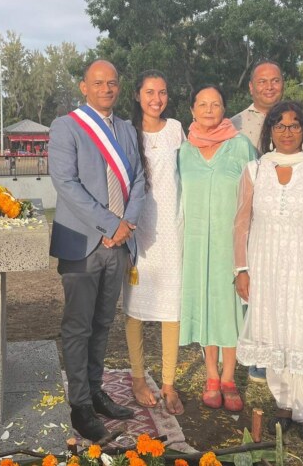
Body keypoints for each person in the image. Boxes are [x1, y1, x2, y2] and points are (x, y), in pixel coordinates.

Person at [234, 101, 303, 448]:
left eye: (294, 125)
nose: (286, 132)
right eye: (279, 126)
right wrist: (241, 269)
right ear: (269, 131)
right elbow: (241, 224)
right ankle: (283, 403)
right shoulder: (255, 170)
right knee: (274, 331)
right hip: (265, 267)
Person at [48, 60, 146, 442]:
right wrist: (110, 224)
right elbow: (65, 184)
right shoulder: (66, 126)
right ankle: (80, 405)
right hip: (83, 243)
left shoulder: (125, 129)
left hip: (118, 243)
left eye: (113, 83)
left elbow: (139, 179)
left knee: (104, 322)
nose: (107, 88)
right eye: (98, 83)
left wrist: (125, 226)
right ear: (83, 87)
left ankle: (94, 389)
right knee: (77, 326)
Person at [179, 84, 257, 413]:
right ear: (192, 110)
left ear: (225, 109)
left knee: (230, 308)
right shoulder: (183, 151)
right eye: (203, 103)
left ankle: (229, 377)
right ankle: (210, 375)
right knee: (205, 308)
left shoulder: (241, 147)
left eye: (216, 104)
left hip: (232, 244)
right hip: (196, 245)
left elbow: (257, 197)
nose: (210, 109)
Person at [122, 70, 186, 415]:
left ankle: (168, 383)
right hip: (138, 228)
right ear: (137, 95)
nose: (156, 99)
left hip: (173, 228)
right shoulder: (127, 131)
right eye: (149, 92)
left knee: (170, 307)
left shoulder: (177, 128)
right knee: (135, 306)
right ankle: (136, 378)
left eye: (162, 92)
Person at [230, 60, 285, 383]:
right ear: (251, 87)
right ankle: (257, 356)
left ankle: (282, 350)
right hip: (251, 215)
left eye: (274, 81)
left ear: (282, 84)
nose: (268, 87)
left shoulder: (298, 119)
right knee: (255, 284)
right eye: (262, 82)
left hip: (289, 215)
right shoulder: (235, 124)